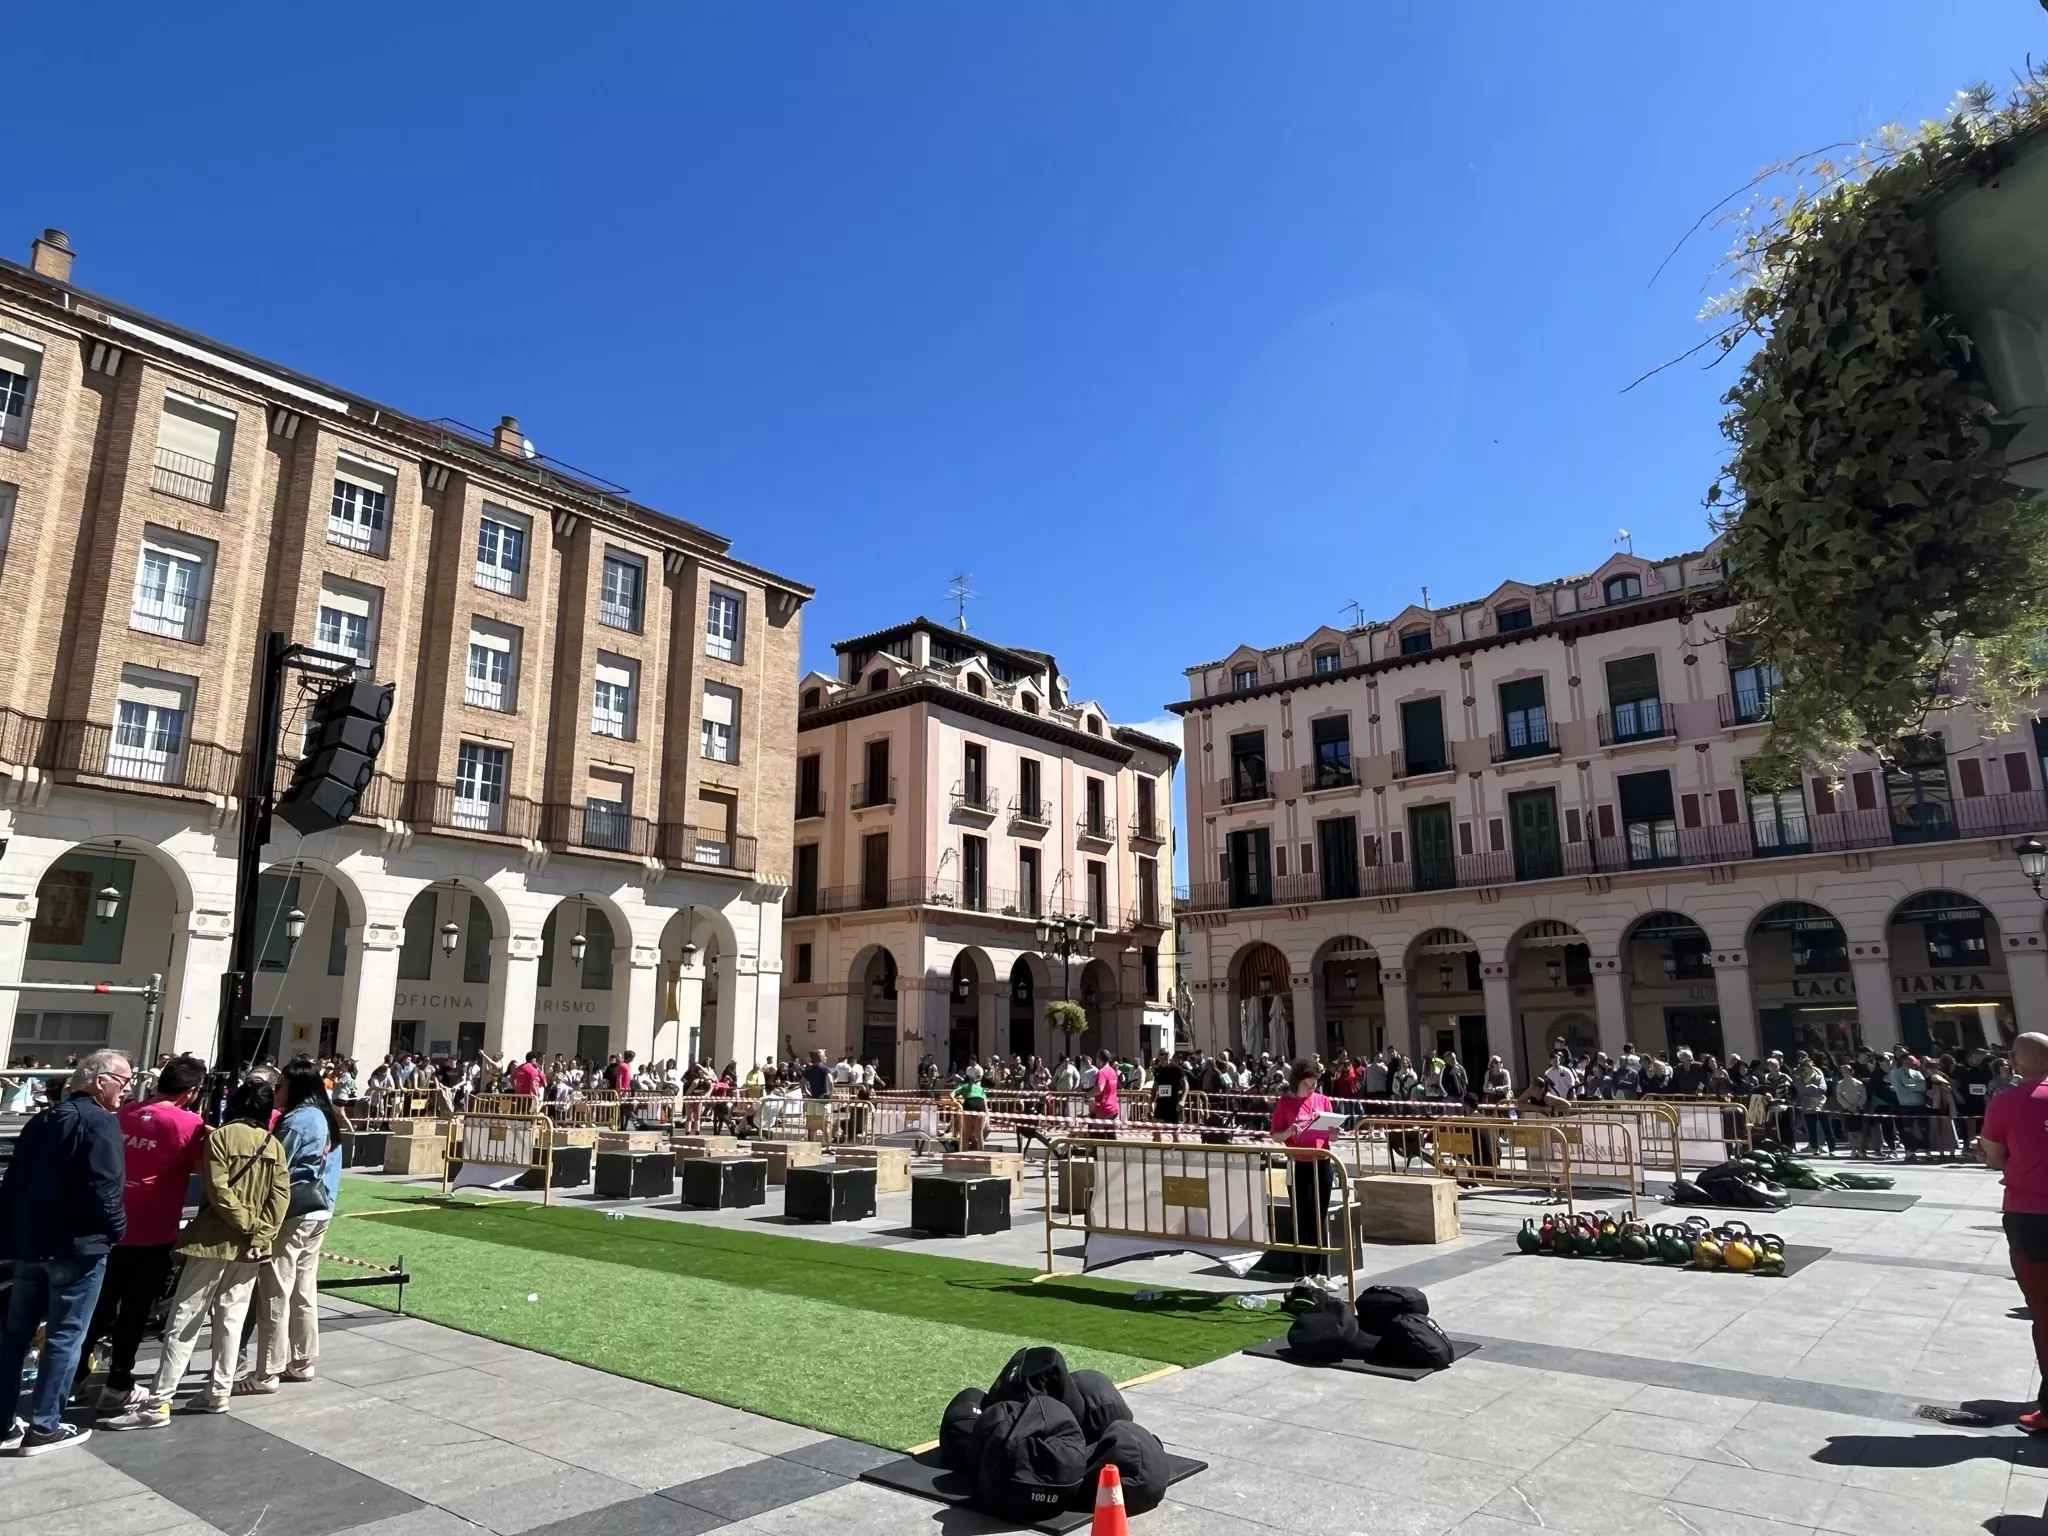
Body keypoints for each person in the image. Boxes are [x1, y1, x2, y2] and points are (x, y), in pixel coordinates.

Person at [104, 1079, 291, 1430]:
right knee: (231, 1320)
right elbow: (280, 1199)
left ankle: (160, 1402)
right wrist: (260, 1233)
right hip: (251, 1249)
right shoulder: (274, 1145)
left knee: (184, 1320)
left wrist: (247, 1225)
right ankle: (218, 1391)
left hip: (212, 1240)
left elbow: (218, 1191)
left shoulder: (219, 1138)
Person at [0, 1050, 130, 1454]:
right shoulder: (100, 1122)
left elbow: (14, 1181)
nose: (126, 1090)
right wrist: (116, 1230)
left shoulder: (42, 1120)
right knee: (64, 1335)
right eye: (122, 1081)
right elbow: (105, 1186)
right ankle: (44, 1426)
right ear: (100, 1080)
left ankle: (5, 1421)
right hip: (77, 1246)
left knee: (14, 1335)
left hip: (31, 1245)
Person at [78, 1055, 209, 1413]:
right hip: (153, 1230)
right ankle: (119, 1380)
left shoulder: (124, 1113)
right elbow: (201, 1167)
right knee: (135, 1311)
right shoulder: (189, 1123)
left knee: (99, 1305)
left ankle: (73, 1375)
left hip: (111, 1223)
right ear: (192, 1092)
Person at [236, 1058, 344, 1395]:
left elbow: (275, 1164)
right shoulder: (326, 1117)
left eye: (280, 1086)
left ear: (295, 1087)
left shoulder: (298, 1121)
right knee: (303, 1288)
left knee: (275, 1290)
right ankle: (303, 1359)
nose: (276, 1092)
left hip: (293, 1212)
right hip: (320, 1209)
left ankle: (267, 1370)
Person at [1978, 1032, 2048, 1435]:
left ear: (2018, 1062)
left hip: (2031, 1214)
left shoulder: (2007, 1101)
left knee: (2045, 1311)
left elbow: (1993, 1158)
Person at [1272, 1060, 1337, 1285]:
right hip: (1299, 1163)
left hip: (1322, 1162)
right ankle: (1301, 1274)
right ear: (1298, 1082)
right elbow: (1276, 1135)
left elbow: (1332, 1136)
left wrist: (1334, 1132)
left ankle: (1317, 1272)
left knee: (1319, 1217)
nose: (1313, 1089)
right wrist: (1290, 1131)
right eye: (1309, 1084)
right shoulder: (1286, 1103)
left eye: (1315, 1084)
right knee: (1302, 1217)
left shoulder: (1323, 1101)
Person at [1151, 1051, 1187, 1125]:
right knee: (1156, 1129)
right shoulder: (1157, 1070)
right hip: (1160, 1103)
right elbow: (1155, 1086)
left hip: (1173, 1103)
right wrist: (1150, 1101)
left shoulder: (1176, 1068)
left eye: (1166, 1054)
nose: (1164, 1056)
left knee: (1174, 1131)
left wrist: (1183, 1100)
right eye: (1161, 1054)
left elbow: (1186, 1084)